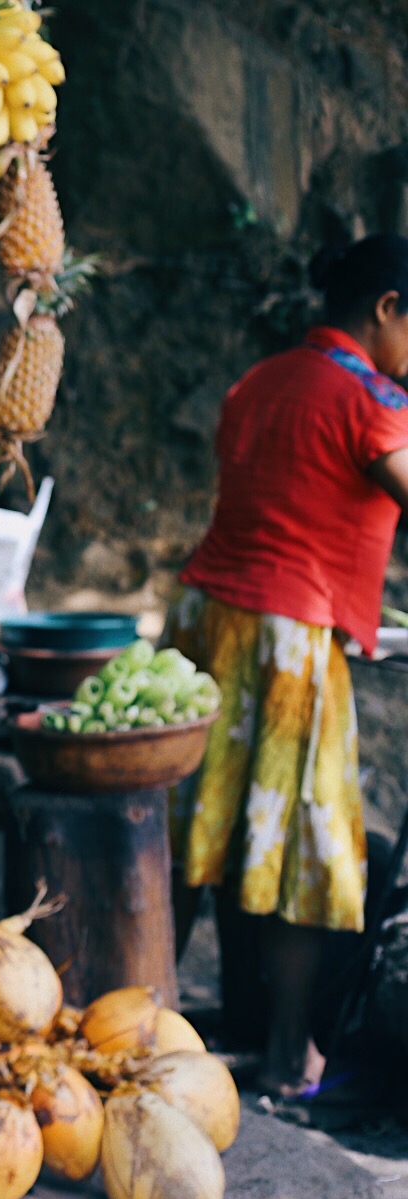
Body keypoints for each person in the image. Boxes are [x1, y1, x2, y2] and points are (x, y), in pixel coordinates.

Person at [173, 233, 408, 1097]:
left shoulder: (258, 380)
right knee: (308, 844)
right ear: (386, 309)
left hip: (203, 623)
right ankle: (283, 1059)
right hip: (286, 643)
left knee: (193, 826)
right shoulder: (371, 395)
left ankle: (144, 1028)